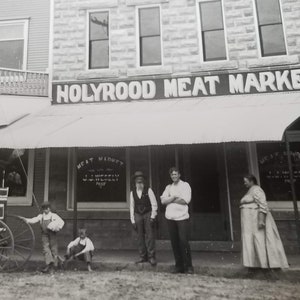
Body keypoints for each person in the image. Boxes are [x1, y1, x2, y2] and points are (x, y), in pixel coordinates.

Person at [240, 174, 289, 273]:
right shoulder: (251, 190)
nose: (244, 183)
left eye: (246, 181)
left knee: (260, 241)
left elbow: (263, 205)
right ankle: (255, 265)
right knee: (252, 242)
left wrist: (261, 220)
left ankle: (266, 265)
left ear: (251, 181)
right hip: (250, 223)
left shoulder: (257, 190)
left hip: (257, 221)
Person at [160, 167, 194, 274]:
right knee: (174, 242)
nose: (174, 176)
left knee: (183, 241)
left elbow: (185, 200)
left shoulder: (185, 185)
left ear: (179, 175)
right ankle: (179, 266)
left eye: (175, 174)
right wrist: (174, 197)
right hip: (170, 217)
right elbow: (163, 201)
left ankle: (188, 266)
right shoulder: (168, 187)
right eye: (172, 175)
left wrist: (170, 199)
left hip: (182, 217)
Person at [23, 202, 64, 273]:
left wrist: (55, 227)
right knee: (46, 248)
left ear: (49, 208)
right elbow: (33, 220)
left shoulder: (54, 216)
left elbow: (61, 222)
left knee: (53, 249)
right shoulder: (41, 216)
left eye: (47, 209)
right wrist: (26, 220)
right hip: (44, 235)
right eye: (44, 209)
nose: (46, 210)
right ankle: (49, 264)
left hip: (52, 234)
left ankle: (55, 266)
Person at [130, 171, 158, 266]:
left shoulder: (149, 190)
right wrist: (133, 220)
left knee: (150, 236)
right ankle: (143, 256)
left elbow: (154, 204)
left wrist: (153, 216)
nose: (139, 183)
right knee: (140, 237)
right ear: (135, 182)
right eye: (138, 181)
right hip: (137, 214)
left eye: (141, 181)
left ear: (143, 182)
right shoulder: (132, 193)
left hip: (147, 214)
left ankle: (151, 257)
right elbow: (131, 207)